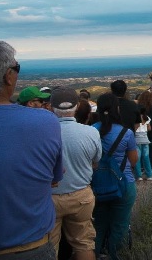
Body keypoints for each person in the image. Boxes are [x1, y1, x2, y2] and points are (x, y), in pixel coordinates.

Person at [0, 39, 63, 260]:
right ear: (8, 76)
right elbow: (54, 180)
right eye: (16, 69)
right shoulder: (45, 122)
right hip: (29, 248)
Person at [49, 86, 101, 260]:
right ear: (77, 106)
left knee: (49, 247)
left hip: (50, 197)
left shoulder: (43, 133)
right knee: (84, 243)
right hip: (81, 195)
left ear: (50, 106)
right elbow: (96, 161)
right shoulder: (91, 132)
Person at [92, 93, 138, 260]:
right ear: (116, 110)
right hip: (123, 184)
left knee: (98, 224)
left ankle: (95, 254)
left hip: (97, 185)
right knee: (120, 225)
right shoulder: (126, 133)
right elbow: (133, 161)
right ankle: (115, 255)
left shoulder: (91, 130)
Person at [133, 104, 152, 181]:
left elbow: (135, 128)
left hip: (137, 138)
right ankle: (149, 175)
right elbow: (149, 129)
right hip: (145, 138)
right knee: (146, 157)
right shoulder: (147, 118)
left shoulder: (136, 118)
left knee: (137, 158)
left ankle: (139, 176)